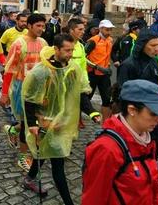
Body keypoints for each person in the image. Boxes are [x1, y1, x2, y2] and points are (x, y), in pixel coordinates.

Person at [21, 34, 100, 203]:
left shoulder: (72, 69)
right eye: (67, 50)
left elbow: (79, 93)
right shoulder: (40, 72)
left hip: (62, 123)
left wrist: (92, 112)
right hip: (44, 122)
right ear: (56, 49)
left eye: (72, 50)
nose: (70, 53)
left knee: (43, 154)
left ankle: (29, 179)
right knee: (58, 164)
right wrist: (33, 123)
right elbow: (29, 99)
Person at [82, 79, 158, 205]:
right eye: (154, 113)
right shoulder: (106, 149)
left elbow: (153, 189)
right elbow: (93, 200)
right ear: (132, 110)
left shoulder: (146, 139)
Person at [118, 30, 158, 175]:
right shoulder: (128, 64)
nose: (156, 49)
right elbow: (123, 91)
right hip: (137, 112)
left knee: (157, 139)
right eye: (152, 45)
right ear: (142, 45)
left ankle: (153, 161)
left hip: (155, 109)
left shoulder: (154, 62)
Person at [0, 13, 47, 172]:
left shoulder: (43, 43)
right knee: (28, 123)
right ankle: (22, 157)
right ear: (29, 26)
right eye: (38, 26)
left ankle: (12, 129)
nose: (41, 29)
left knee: (32, 121)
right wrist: (5, 93)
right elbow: (9, 69)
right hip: (22, 88)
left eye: (43, 26)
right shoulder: (19, 44)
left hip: (38, 88)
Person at [85, 19, 115, 120]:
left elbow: (107, 55)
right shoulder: (93, 41)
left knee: (107, 99)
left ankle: (106, 123)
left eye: (110, 30)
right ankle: (78, 120)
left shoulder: (110, 40)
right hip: (92, 73)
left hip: (105, 74)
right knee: (86, 98)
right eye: (107, 29)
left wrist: (109, 66)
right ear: (101, 29)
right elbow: (83, 57)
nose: (109, 32)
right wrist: (96, 66)